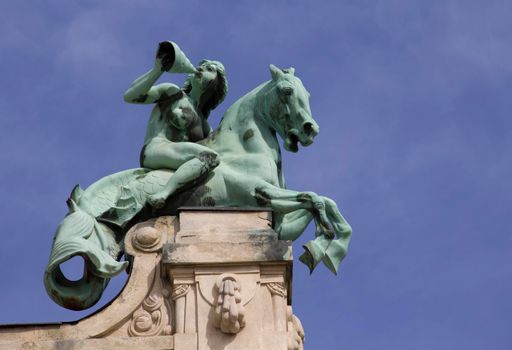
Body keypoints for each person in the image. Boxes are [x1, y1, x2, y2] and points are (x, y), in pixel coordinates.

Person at [124, 42, 228, 208]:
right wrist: (157, 70)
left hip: (178, 158)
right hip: (156, 148)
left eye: (209, 69)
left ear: (216, 83)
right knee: (211, 157)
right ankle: (163, 194)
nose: (201, 69)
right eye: (201, 66)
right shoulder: (173, 93)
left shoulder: (205, 125)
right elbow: (130, 96)